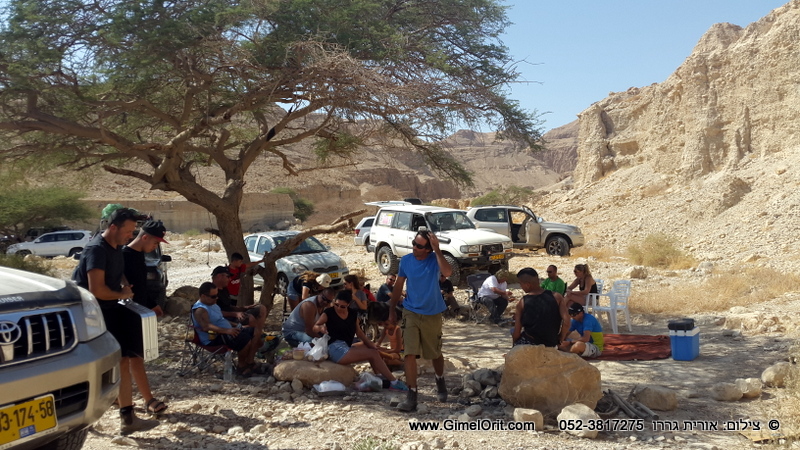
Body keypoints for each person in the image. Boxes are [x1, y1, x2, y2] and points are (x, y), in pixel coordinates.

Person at [72, 207, 160, 435]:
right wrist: (122, 294)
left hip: (109, 311)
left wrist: (123, 283)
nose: (131, 236)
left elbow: (117, 272)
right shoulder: (96, 250)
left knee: (122, 361)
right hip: (91, 317)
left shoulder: (116, 247)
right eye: (128, 231)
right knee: (93, 369)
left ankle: (128, 419)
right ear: (113, 228)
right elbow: (97, 289)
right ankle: (77, 420)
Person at [389, 229, 452, 412]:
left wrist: (437, 250)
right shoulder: (406, 261)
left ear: (428, 249)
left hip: (432, 312)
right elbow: (398, 285)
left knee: (434, 353)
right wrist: (391, 310)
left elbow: (447, 271)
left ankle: (440, 379)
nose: (414, 247)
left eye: (419, 246)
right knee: (409, 353)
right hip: (410, 311)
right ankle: (412, 395)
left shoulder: (434, 259)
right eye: (414, 243)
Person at [313, 290, 408, 391]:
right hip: (335, 348)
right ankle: (394, 382)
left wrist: (371, 344)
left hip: (346, 345)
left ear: (348, 304)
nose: (339, 308)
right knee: (372, 353)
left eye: (342, 306)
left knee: (371, 348)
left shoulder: (353, 314)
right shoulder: (329, 312)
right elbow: (315, 326)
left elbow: (359, 333)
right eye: (336, 305)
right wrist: (321, 328)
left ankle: (379, 375)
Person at [121, 220, 169, 415]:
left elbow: (140, 287)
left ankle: (122, 399)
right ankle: (147, 400)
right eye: (155, 242)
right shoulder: (124, 256)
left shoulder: (139, 256)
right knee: (131, 359)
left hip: (139, 313)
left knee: (133, 358)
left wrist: (152, 305)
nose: (155, 247)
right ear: (145, 237)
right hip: (124, 315)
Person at [192, 282, 263, 377]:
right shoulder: (200, 310)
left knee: (255, 331)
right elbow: (206, 327)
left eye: (217, 295)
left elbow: (221, 319)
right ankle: (241, 366)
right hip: (214, 337)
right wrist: (227, 331)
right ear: (203, 296)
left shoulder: (213, 305)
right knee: (244, 339)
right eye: (213, 296)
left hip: (227, 331)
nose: (217, 298)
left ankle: (250, 361)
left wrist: (236, 326)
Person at [511, 267, 570, 348]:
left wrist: (514, 345)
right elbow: (567, 321)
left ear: (527, 285)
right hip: (551, 343)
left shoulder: (522, 302)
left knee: (512, 332)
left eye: (520, 284)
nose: (520, 286)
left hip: (530, 342)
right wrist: (560, 338)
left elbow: (517, 332)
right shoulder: (557, 297)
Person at [211, 266, 267, 338]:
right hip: (224, 319)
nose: (230, 279)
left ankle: (259, 336)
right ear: (219, 276)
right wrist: (235, 314)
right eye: (228, 277)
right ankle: (254, 339)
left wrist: (244, 308)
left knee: (261, 308)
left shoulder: (224, 289)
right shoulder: (211, 292)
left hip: (232, 315)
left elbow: (228, 306)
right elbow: (214, 312)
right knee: (250, 318)